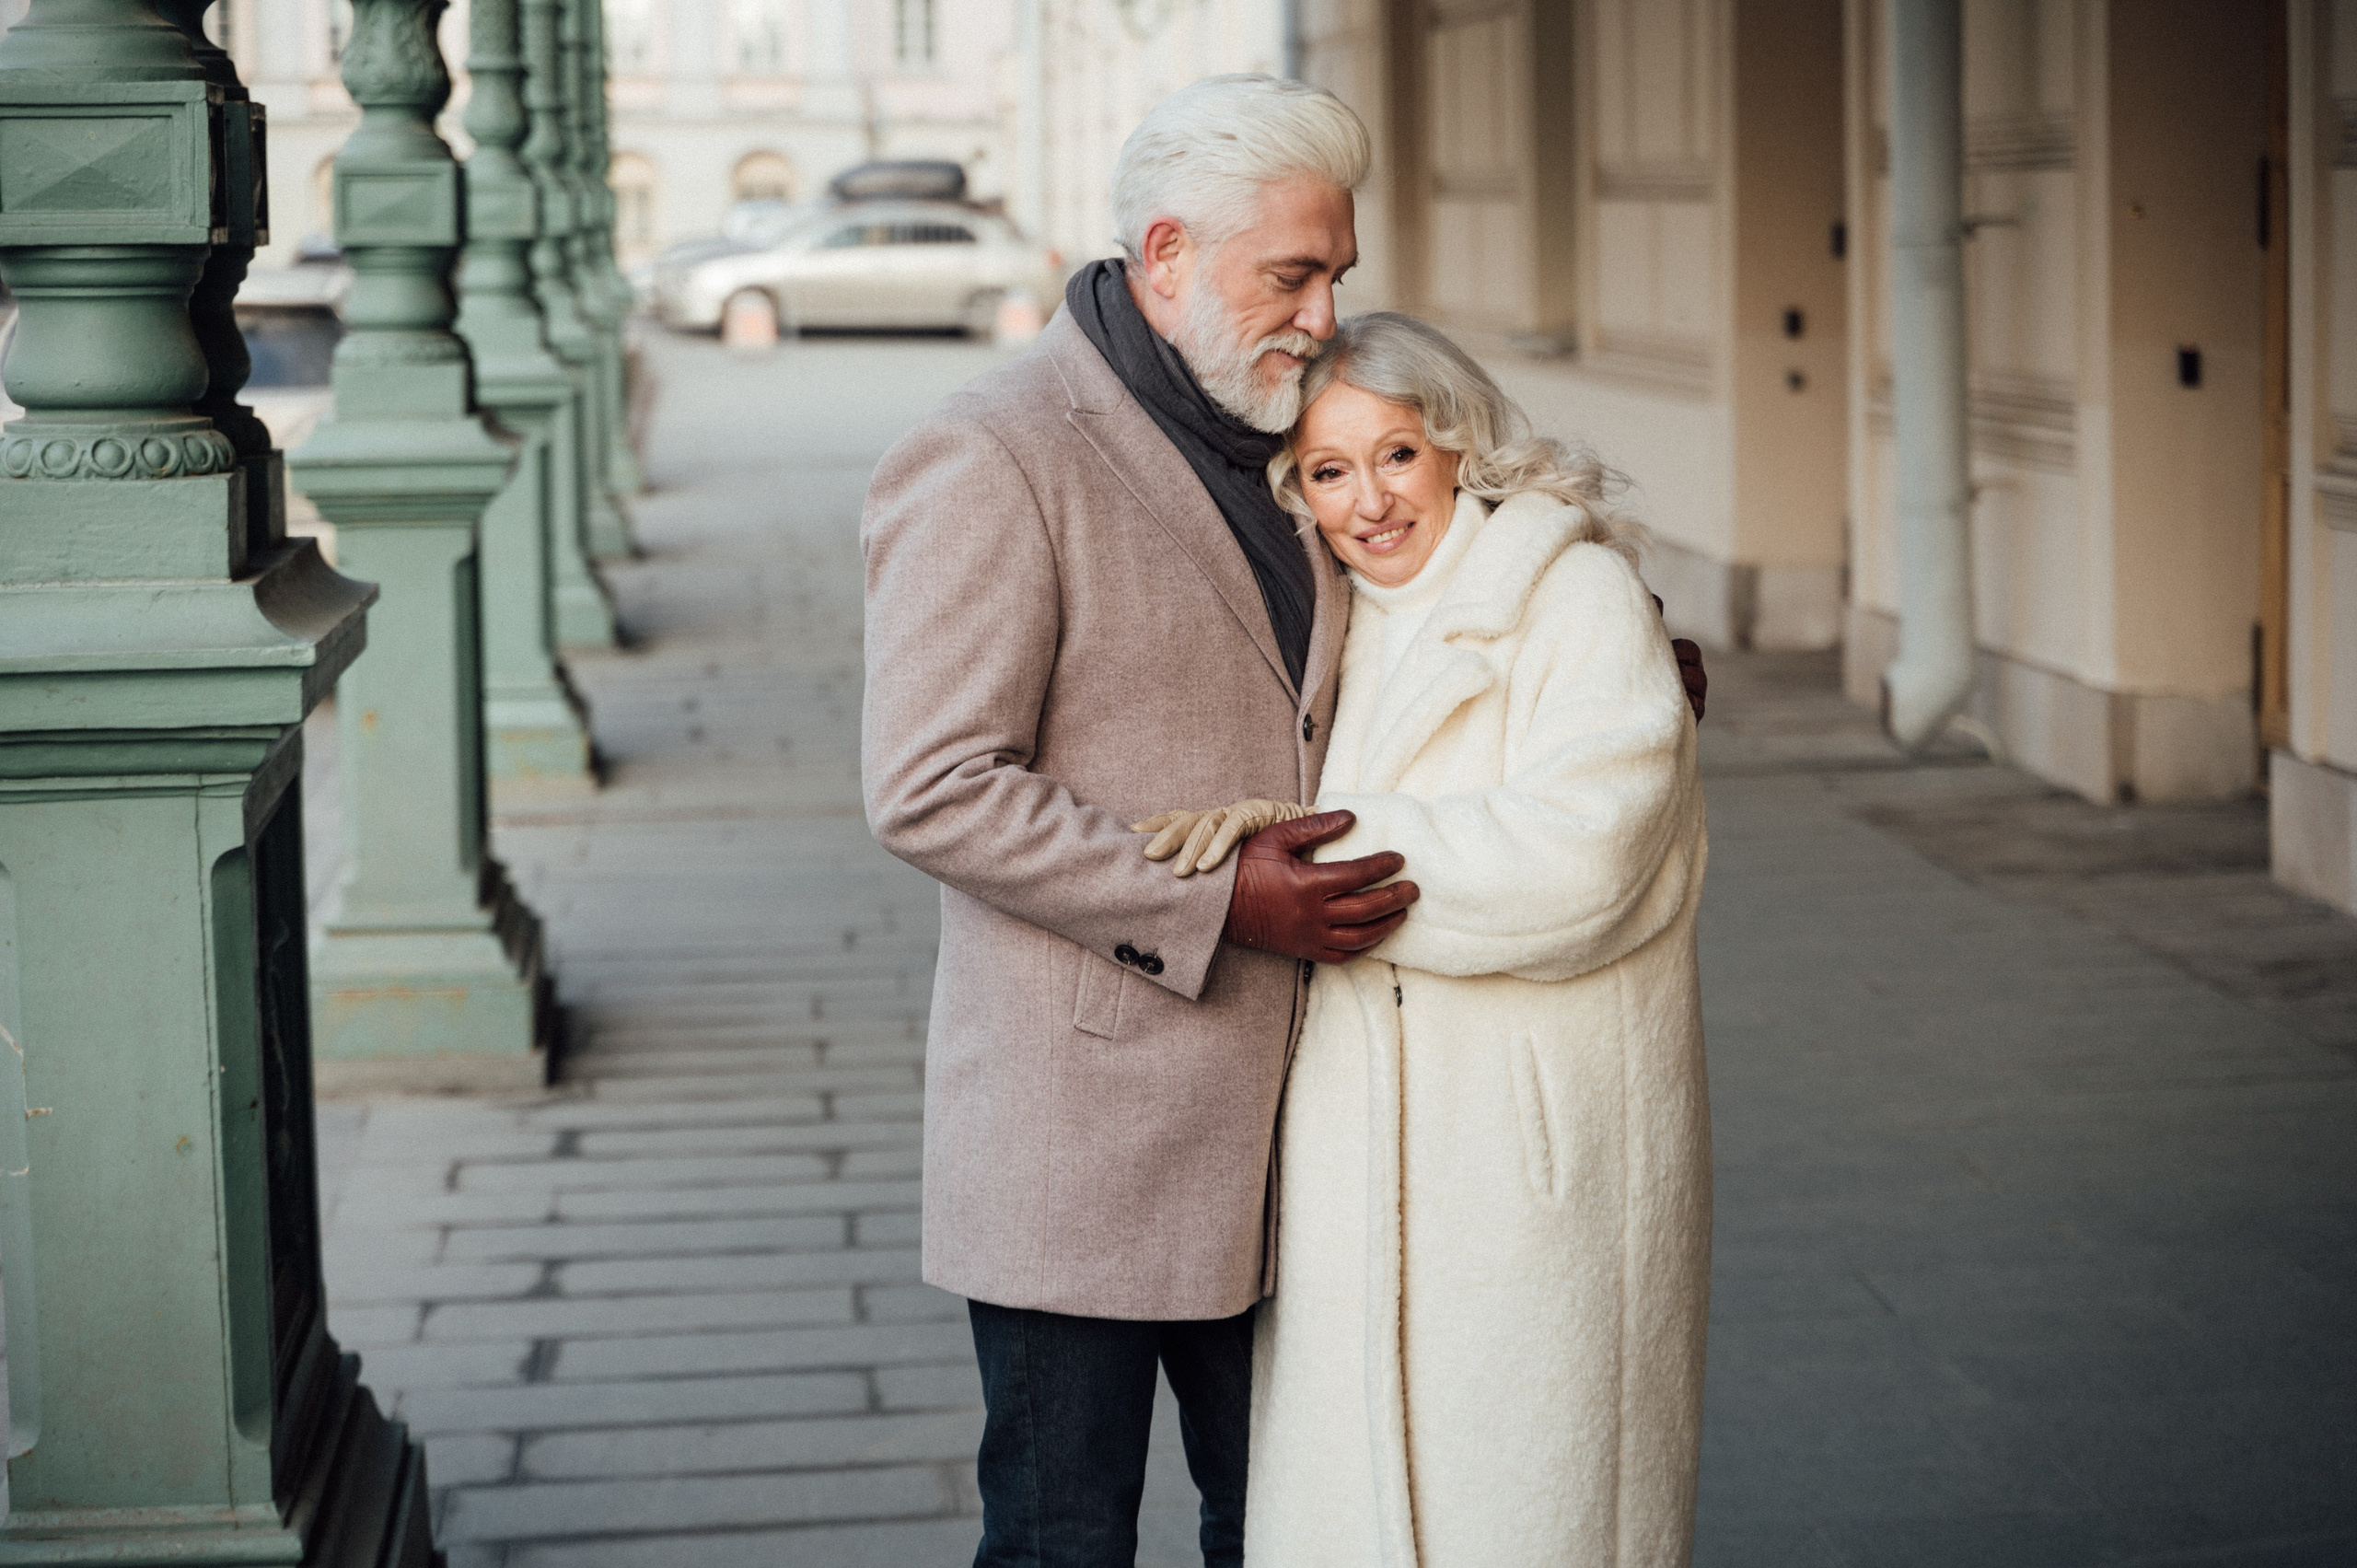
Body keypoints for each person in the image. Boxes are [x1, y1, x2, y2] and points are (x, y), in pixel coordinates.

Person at [862, 75, 1706, 1568]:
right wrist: (1210, 901)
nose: (1322, 314)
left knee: (1293, 1537)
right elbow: (931, 782)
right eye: (1294, 275)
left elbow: (1422, 567)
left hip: (1308, 1145)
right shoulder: (994, 450)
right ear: (1169, 256)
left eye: (1337, 277)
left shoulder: (1278, 420)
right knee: (1065, 1542)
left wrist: (1603, 630)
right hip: (1088, 1145)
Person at [1140, 313, 1712, 1567]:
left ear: (1459, 445)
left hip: (1524, 1159)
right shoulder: (1331, 621)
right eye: (1330, 471)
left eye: (1396, 454)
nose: (1370, 502)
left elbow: (1587, 860)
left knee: (1526, 1506)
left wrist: (1319, 852)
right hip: (1363, 1161)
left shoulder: (1570, 594)